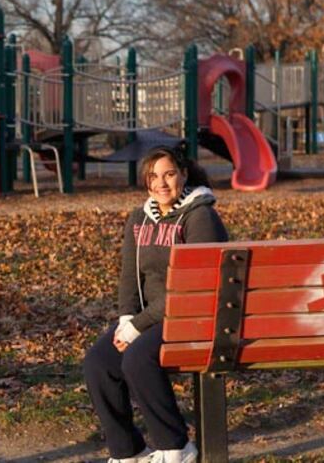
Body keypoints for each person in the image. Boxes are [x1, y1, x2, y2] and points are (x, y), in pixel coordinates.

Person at [83, 146, 228, 463]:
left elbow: (192, 287)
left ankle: (176, 446)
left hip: (193, 314)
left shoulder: (200, 216)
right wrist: (126, 319)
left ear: (184, 175)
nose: (161, 183)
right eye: (153, 176)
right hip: (151, 319)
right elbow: (128, 276)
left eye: (169, 174)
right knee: (98, 362)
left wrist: (138, 326)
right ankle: (128, 452)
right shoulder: (139, 218)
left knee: (137, 358)